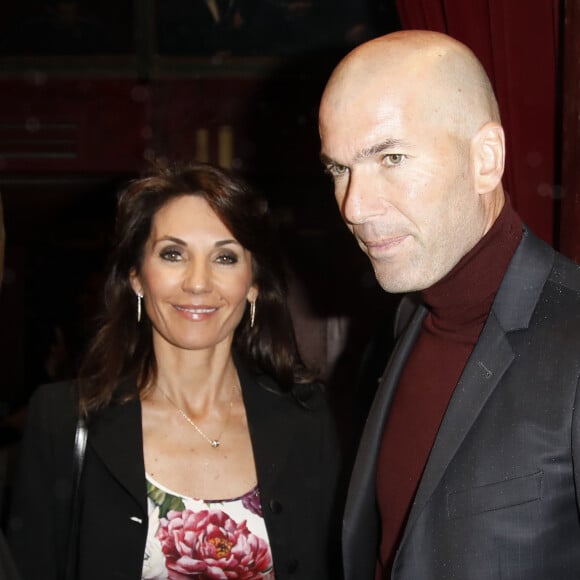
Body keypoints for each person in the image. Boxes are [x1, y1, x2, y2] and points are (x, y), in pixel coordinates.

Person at [318, 29, 580, 580]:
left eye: (390, 157)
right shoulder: (409, 319)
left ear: (486, 159)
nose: (355, 207)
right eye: (339, 169)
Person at [7, 162, 341, 579]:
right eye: (173, 254)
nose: (197, 282)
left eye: (224, 256)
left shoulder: (308, 420)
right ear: (137, 278)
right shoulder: (63, 419)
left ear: (253, 283)